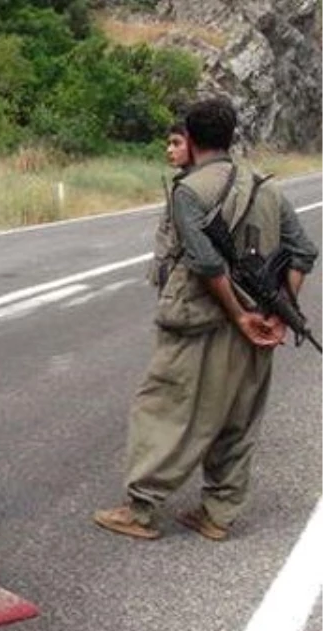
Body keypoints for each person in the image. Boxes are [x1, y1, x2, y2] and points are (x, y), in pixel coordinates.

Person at [94, 98, 317, 541]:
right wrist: (277, 312)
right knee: (238, 419)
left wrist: (238, 314)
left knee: (164, 410)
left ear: (191, 140)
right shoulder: (266, 187)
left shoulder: (189, 191)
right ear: (231, 136)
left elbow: (205, 262)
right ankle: (218, 515)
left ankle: (140, 510)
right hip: (260, 324)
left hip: (200, 322)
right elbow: (304, 252)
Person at [146, 121, 193, 289]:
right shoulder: (178, 184)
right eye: (169, 144)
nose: (169, 150)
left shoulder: (195, 187)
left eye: (177, 143)